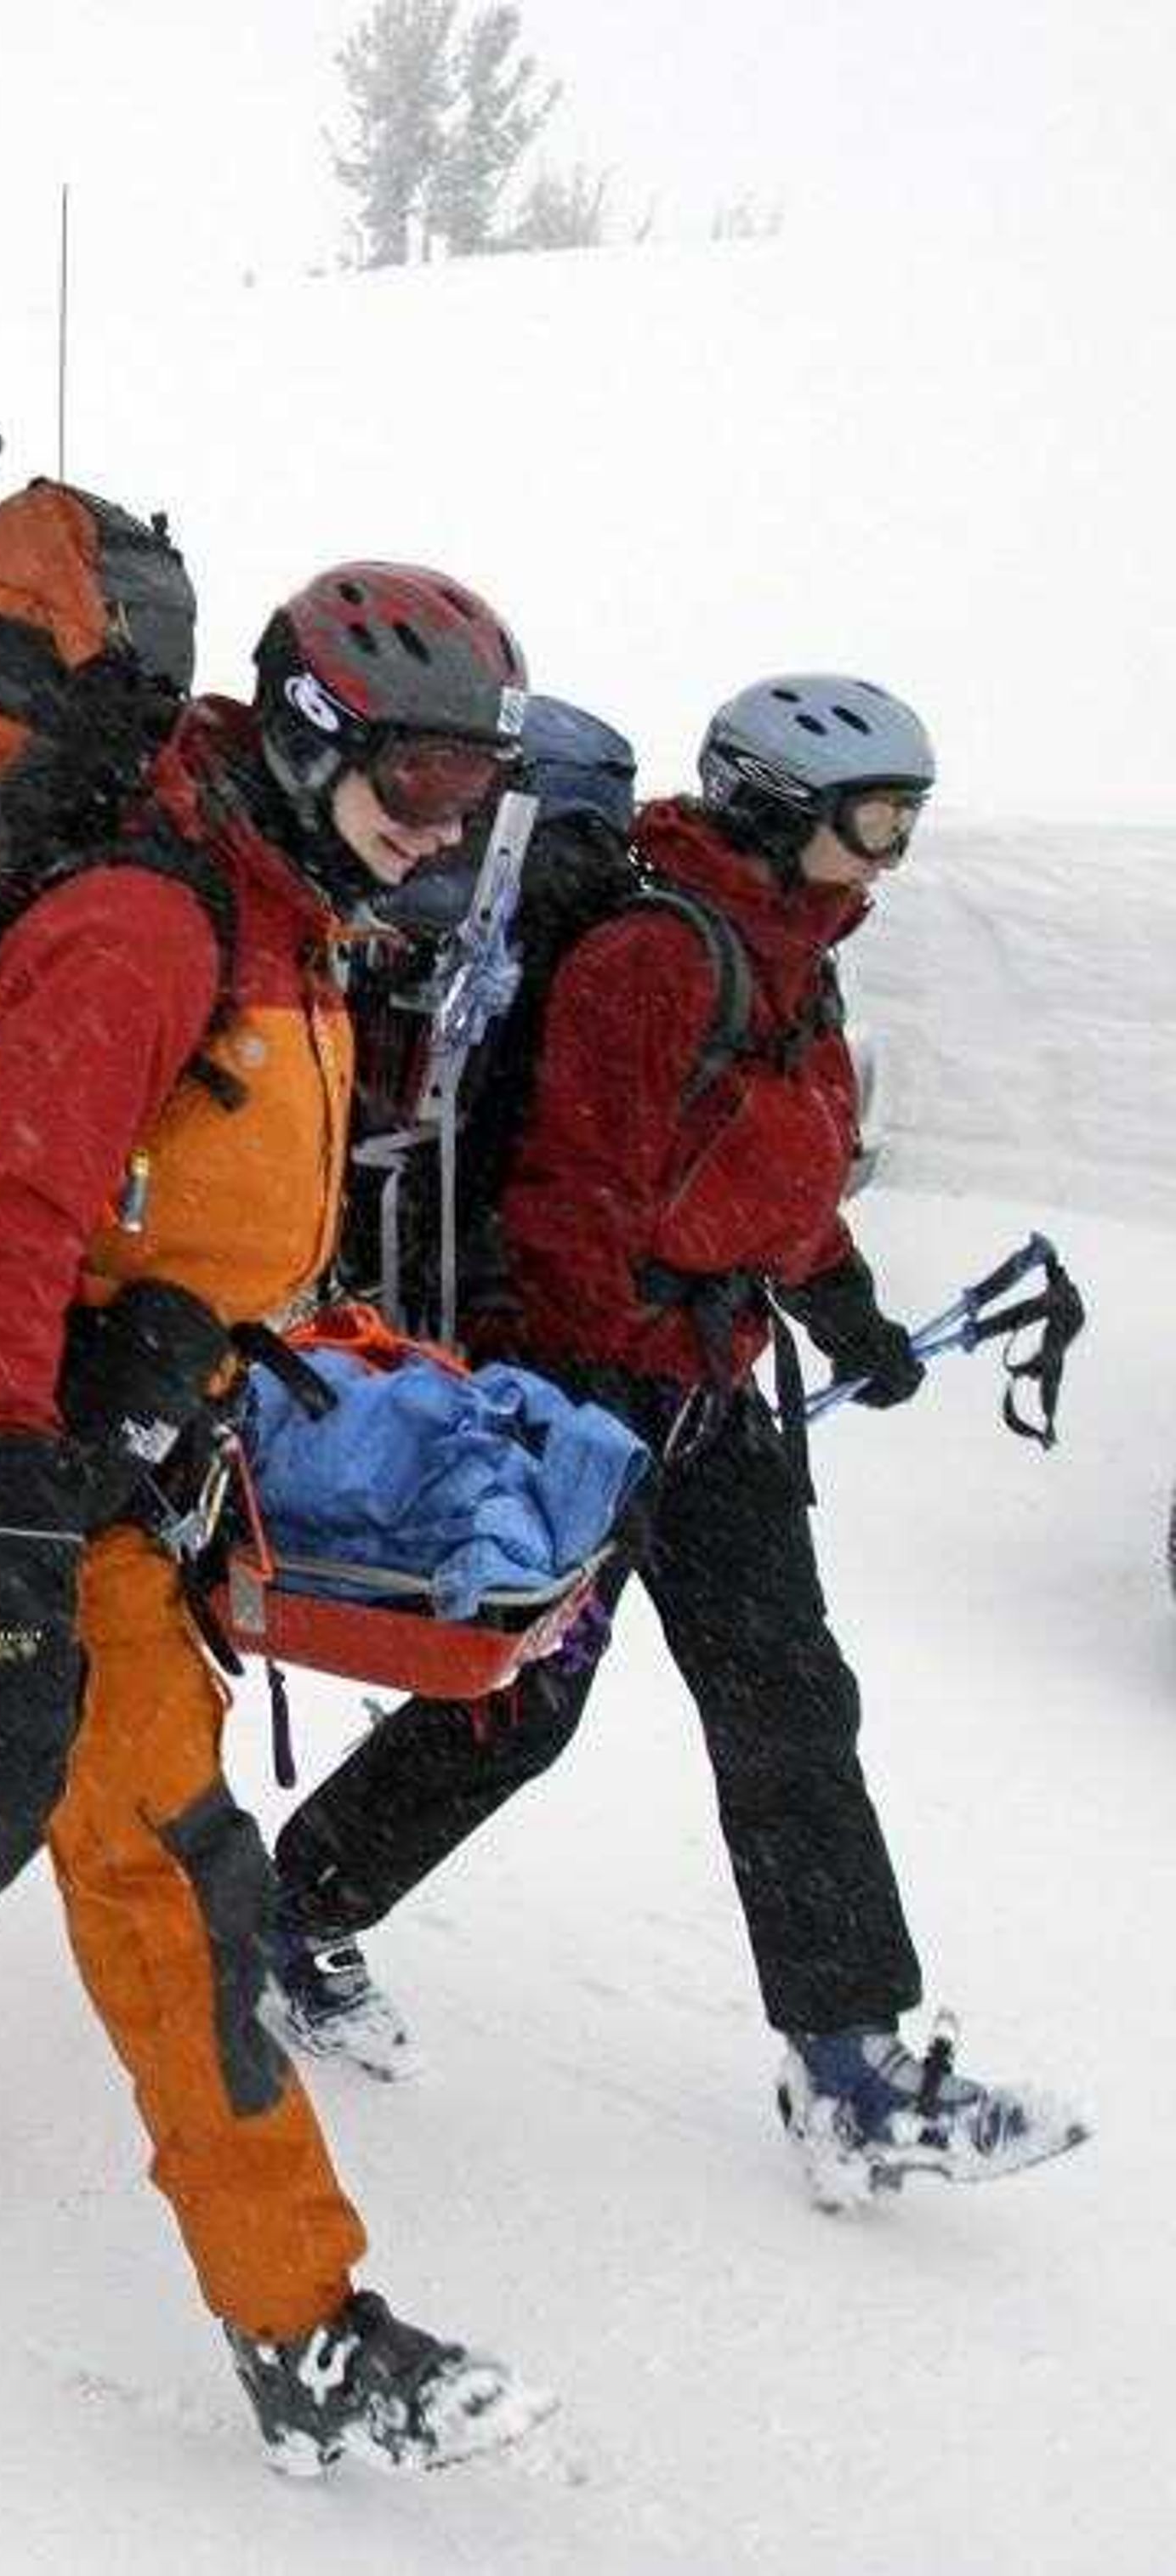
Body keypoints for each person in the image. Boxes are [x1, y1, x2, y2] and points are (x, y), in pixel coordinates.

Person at [0, 565, 556, 2476]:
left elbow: (208, 1203)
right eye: (416, 771)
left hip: (147, 1450)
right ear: (315, 739)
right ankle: (303, 2327)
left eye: (473, 788)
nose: (441, 819)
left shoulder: (286, 916)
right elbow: (6, 1240)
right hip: (53, 1460)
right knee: (171, 1882)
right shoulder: (141, 926)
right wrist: (3, 1516)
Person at [263, 673, 1088, 2207]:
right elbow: (573, 1194)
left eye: (907, 820)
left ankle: (848, 2066)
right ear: (781, 809)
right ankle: (289, 1914)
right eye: (874, 823)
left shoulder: (790, 960)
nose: (892, 855)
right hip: (604, 1391)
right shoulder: (655, 954)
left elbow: (773, 1169)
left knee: (788, 1703)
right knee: (522, 1700)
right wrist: (586, 1416)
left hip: (712, 1382)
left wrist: (850, 1319)